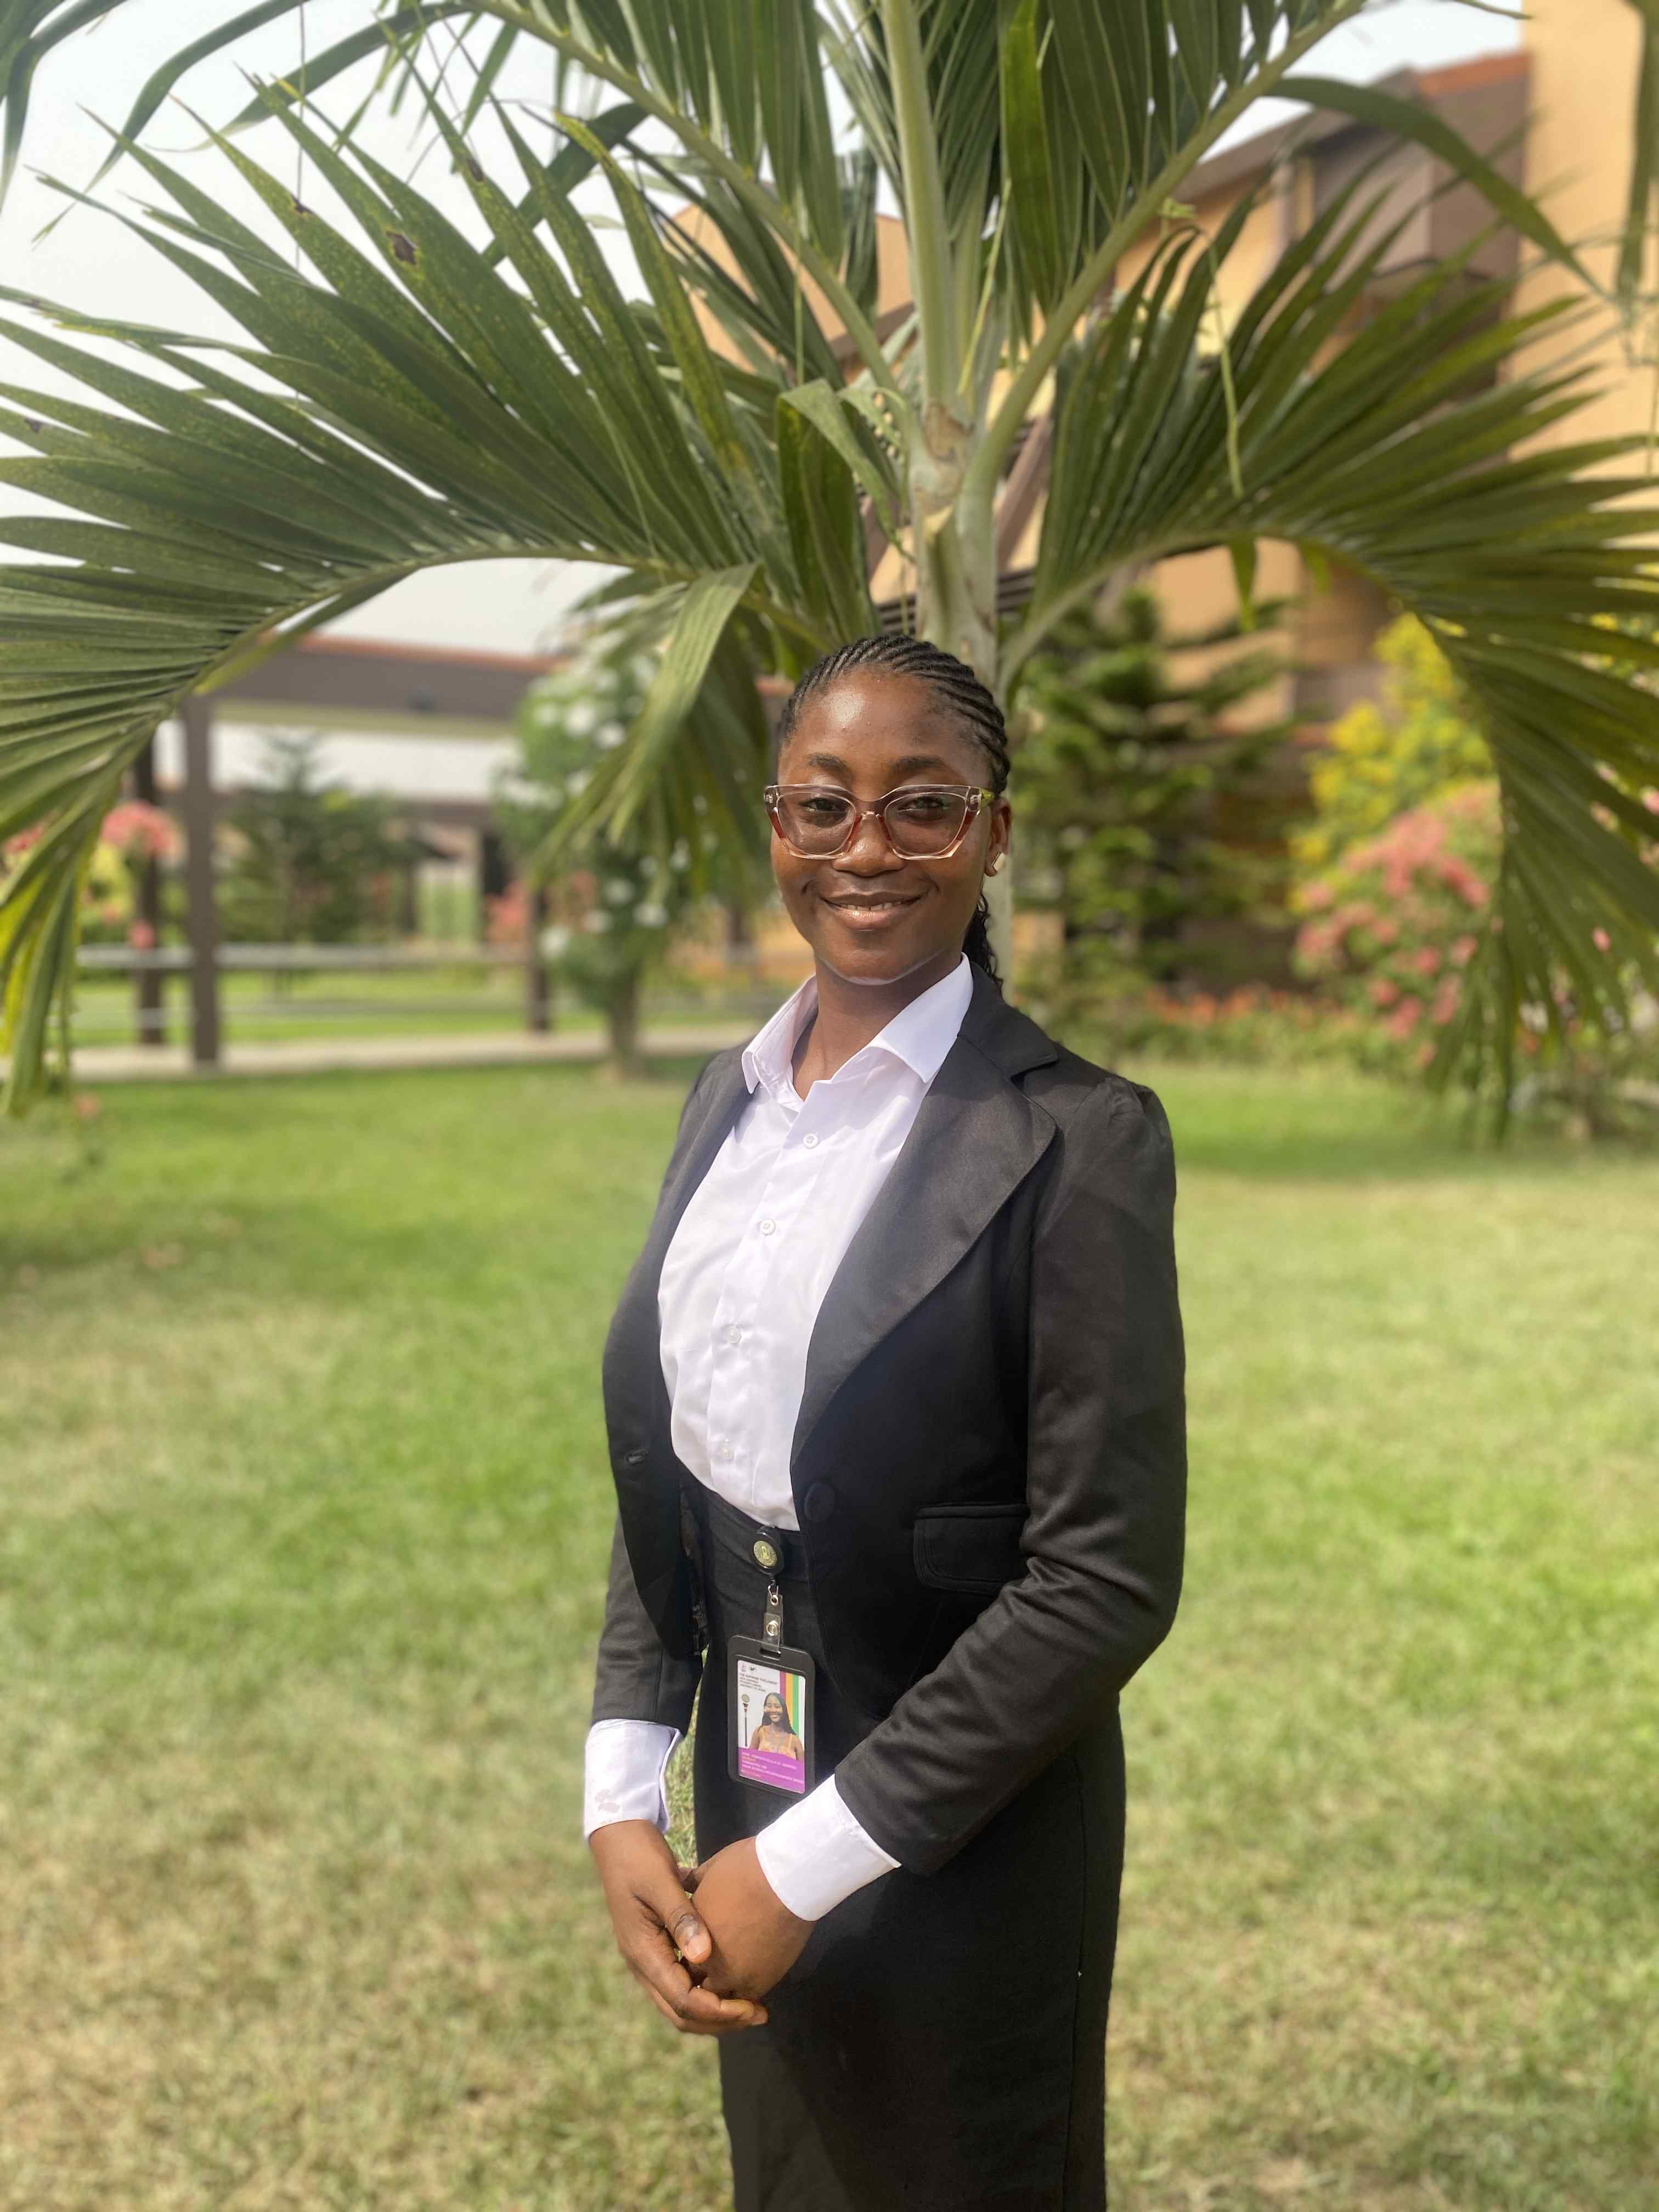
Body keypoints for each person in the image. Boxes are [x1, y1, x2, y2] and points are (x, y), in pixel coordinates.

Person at [584, 634, 1186, 2212]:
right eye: (824, 804)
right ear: (777, 825)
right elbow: (681, 1464)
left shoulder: (1077, 1140)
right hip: (751, 1774)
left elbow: (1103, 1580)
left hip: (968, 1823)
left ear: (995, 831)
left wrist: (805, 1867)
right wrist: (622, 1781)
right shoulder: (729, 1102)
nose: (869, 847)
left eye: (924, 804)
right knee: (790, 2176)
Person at [750, 1692, 804, 1763]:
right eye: (769, 1706)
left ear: (784, 1709)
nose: (773, 1710)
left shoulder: (795, 1741)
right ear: (765, 1709)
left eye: (777, 1707)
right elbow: (749, 1759)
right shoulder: (759, 1732)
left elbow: (803, 1768)